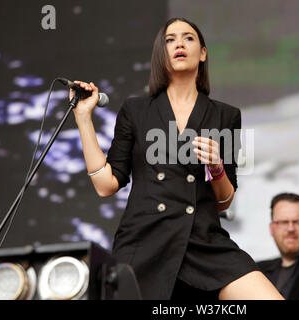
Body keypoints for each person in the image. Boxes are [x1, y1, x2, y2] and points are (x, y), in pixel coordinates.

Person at [70, 17, 284, 300]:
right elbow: (106, 185)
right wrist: (84, 117)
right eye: (170, 40)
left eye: (188, 38)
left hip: (204, 243)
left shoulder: (226, 115)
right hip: (145, 240)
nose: (179, 44)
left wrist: (217, 167)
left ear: (203, 53)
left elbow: (224, 201)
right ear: (162, 54)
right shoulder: (136, 110)